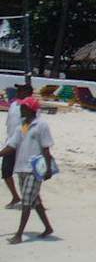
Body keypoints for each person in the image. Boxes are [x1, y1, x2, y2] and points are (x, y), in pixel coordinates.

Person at [0, 96, 54, 244]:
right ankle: (48, 227)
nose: (21, 110)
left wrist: (48, 169)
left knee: (26, 201)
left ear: (31, 109)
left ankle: (19, 234)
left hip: (35, 169)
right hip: (21, 167)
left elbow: (46, 148)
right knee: (35, 200)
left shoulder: (41, 125)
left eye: (23, 107)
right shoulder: (23, 126)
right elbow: (12, 145)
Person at [2, 83, 29, 207]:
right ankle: (15, 197)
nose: (18, 92)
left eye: (21, 90)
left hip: (22, 145)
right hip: (10, 143)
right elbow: (9, 125)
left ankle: (30, 200)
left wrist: (20, 138)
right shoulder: (13, 105)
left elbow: (28, 125)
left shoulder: (31, 107)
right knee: (6, 171)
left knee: (23, 174)